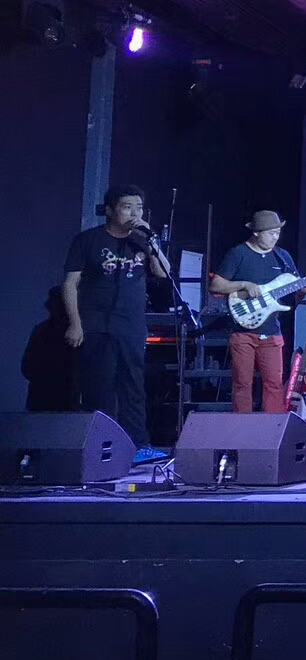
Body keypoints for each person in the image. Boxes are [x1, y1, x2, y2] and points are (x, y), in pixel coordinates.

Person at [62, 184, 172, 465]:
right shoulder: (88, 240)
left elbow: (164, 273)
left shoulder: (141, 241)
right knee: (100, 387)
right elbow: (70, 283)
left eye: (139, 208)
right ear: (110, 210)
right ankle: (103, 448)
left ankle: (140, 446)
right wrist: (75, 323)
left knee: (134, 386)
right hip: (96, 323)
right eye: (127, 207)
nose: (134, 213)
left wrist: (151, 241)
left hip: (131, 325)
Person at [209, 211, 306, 414]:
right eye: (271, 233)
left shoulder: (282, 256)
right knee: (242, 384)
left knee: (274, 383)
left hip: (272, 330)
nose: (275, 237)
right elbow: (216, 285)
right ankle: (243, 428)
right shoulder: (238, 254)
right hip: (243, 330)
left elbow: (297, 287)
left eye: (278, 233)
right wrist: (244, 284)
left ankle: (273, 427)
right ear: (257, 232)